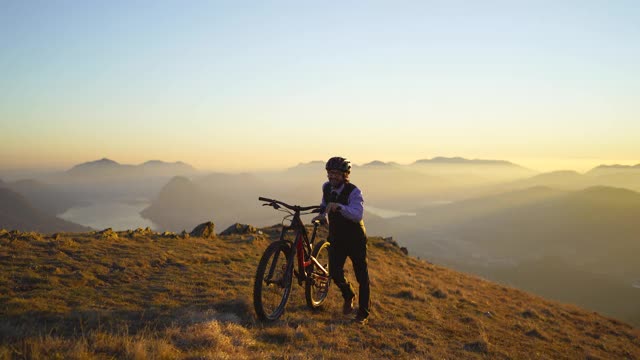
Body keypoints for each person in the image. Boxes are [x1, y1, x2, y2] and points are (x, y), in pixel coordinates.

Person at [313, 156, 370, 325]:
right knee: (335, 273)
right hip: (337, 237)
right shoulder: (326, 188)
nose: (332, 177)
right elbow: (325, 204)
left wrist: (339, 207)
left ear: (345, 175)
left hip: (355, 239)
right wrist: (322, 215)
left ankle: (363, 314)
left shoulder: (354, 191)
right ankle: (348, 294)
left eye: (336, 174)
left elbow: (357, 214)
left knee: (362, 277)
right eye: (330, 173)